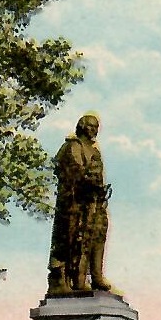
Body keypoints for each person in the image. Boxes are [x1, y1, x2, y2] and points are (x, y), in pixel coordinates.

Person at [47, 112, 112, 294]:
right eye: (90, 126)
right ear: (82, 126)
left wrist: (99, 189)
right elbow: (72, 173)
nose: (93, 130)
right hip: (75, 204)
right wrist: (87, 178)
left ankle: (96, 276)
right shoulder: (72, 146)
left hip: (94, 202)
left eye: (96, 127)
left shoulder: (94, 150)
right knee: (77, 239)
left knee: (98, 234)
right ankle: (76, 280)